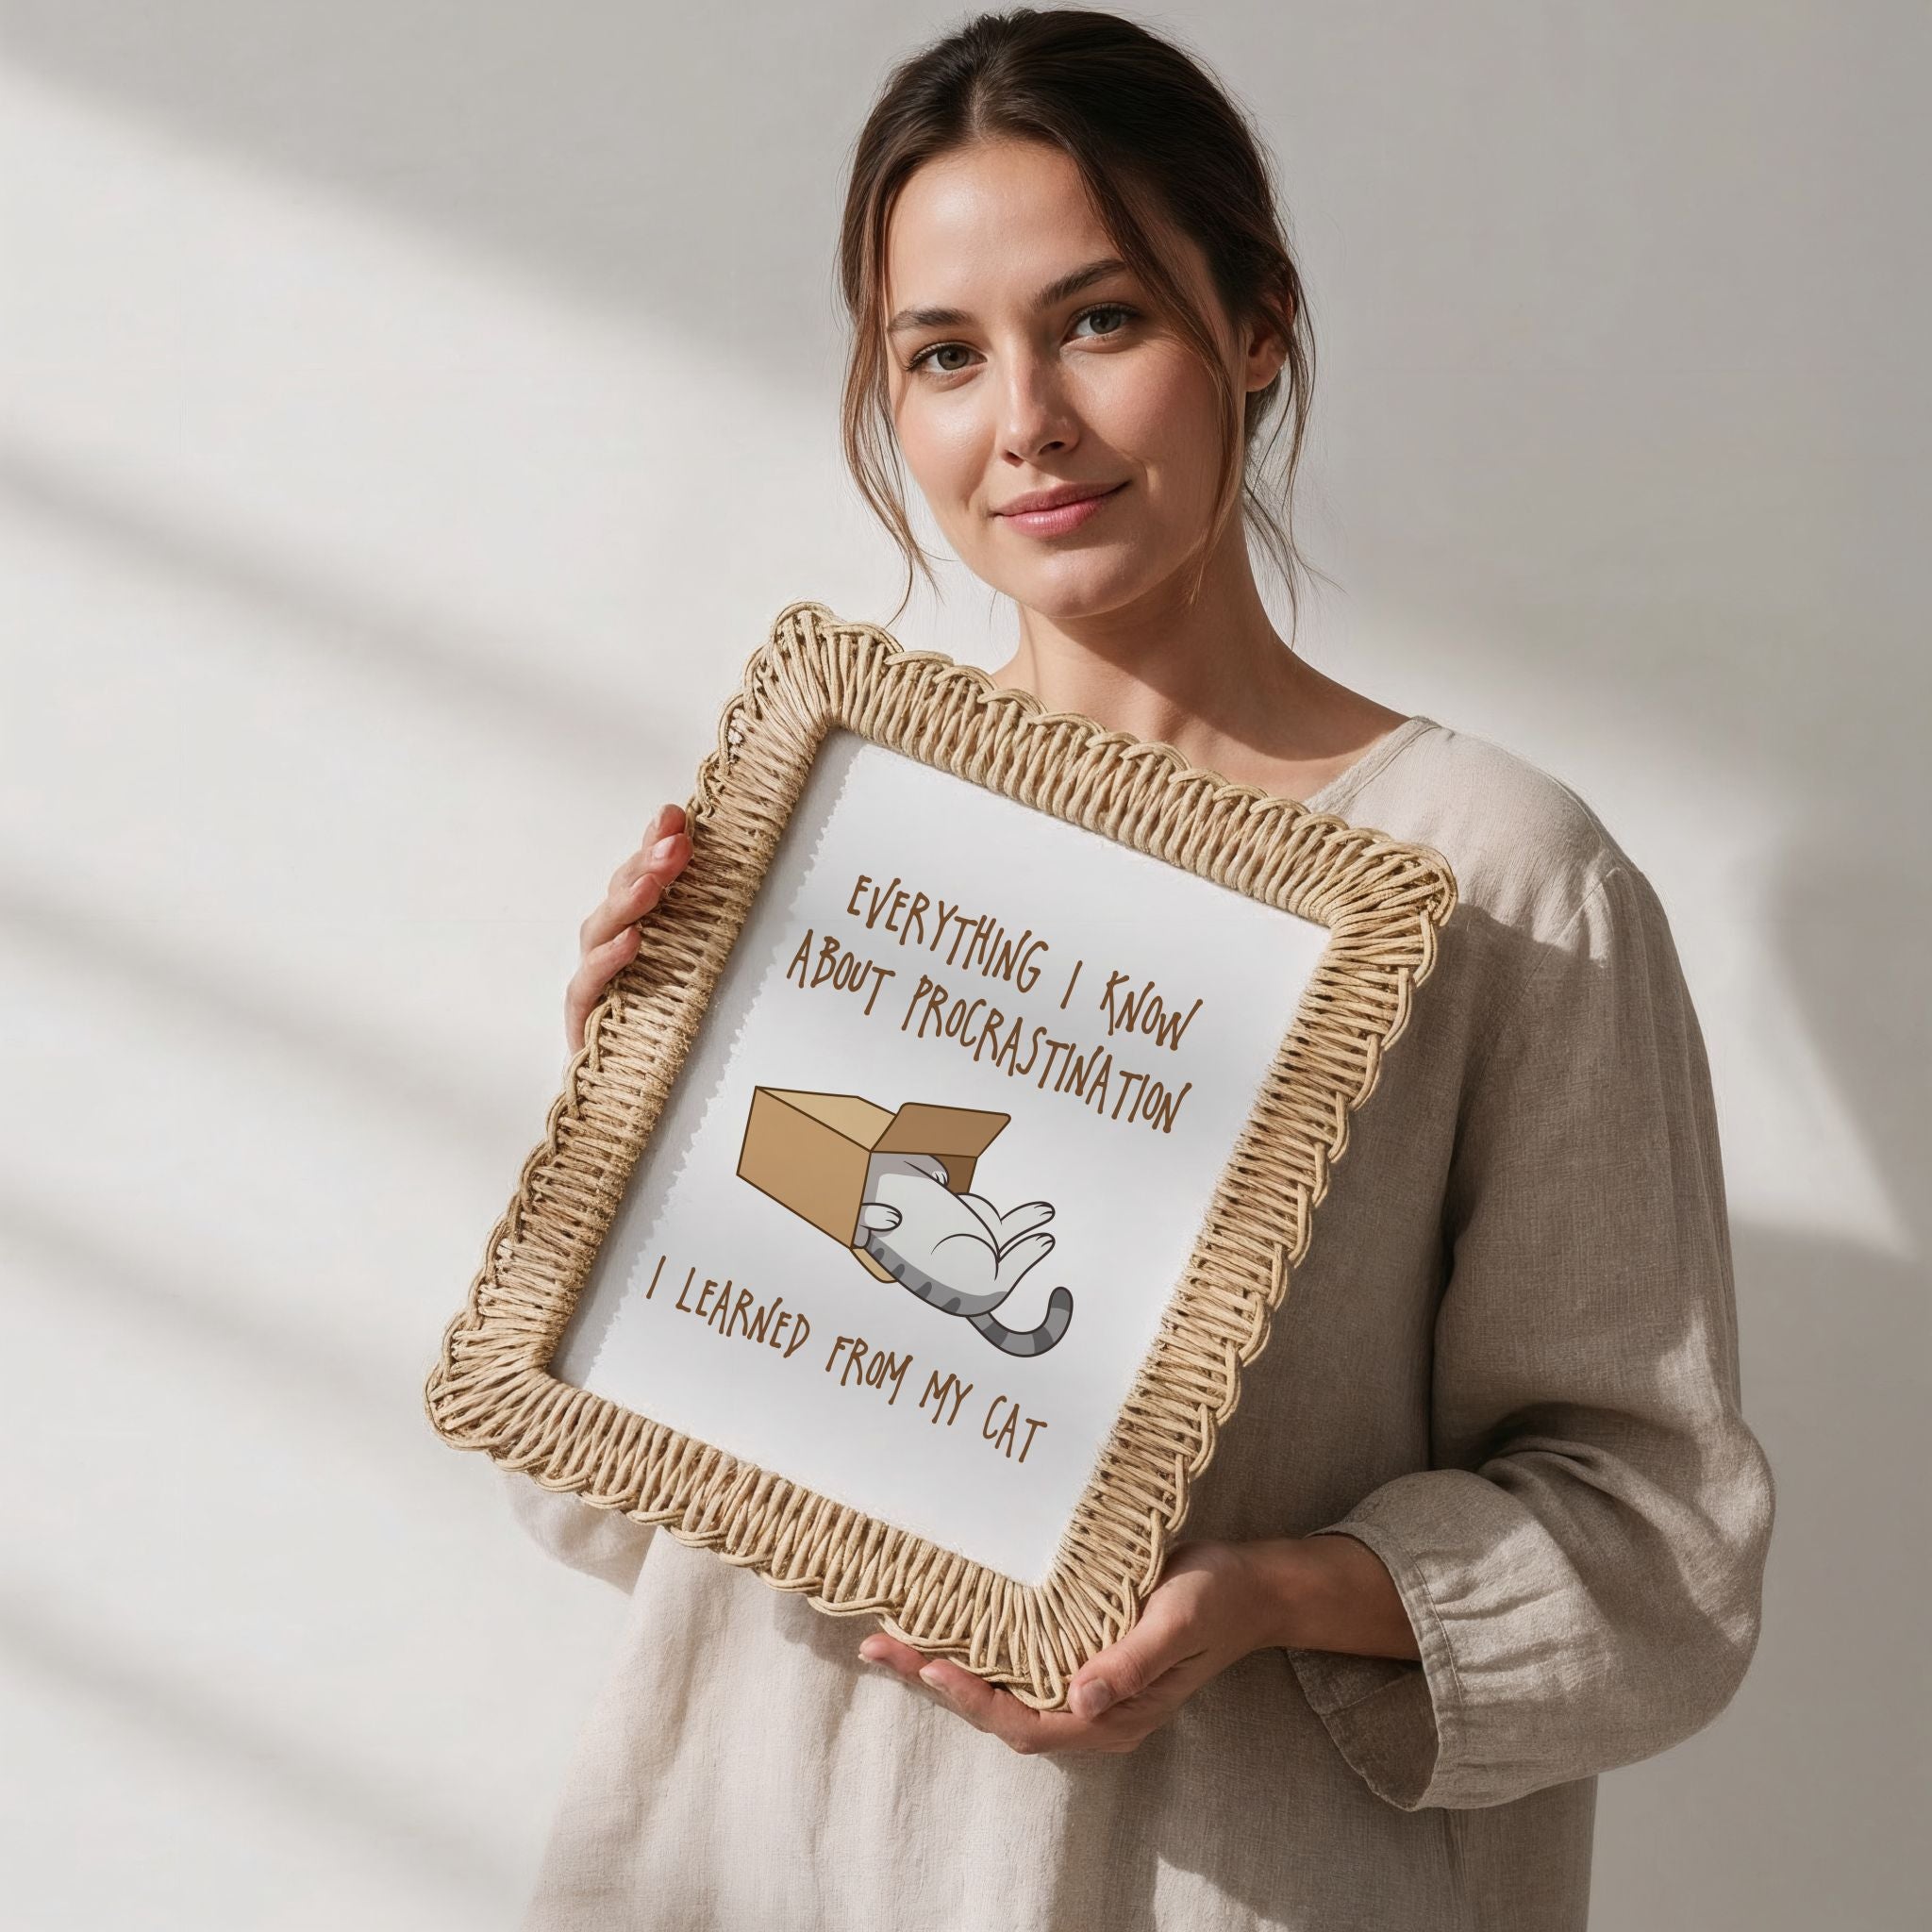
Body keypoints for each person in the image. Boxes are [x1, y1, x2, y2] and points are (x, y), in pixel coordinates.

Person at [503, 10, 1776, 1928]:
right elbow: (606, 1508)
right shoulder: (829, 846)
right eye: (944, 354)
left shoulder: (1496, 881)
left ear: (1255, 327)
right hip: (756, 1861)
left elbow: (1662, 1553)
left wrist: (1270, 1594)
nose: (1024, 419)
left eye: (1098, 321)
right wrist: (630, 1160)